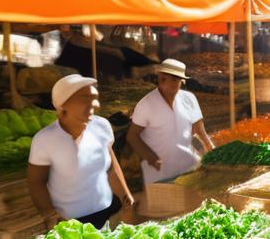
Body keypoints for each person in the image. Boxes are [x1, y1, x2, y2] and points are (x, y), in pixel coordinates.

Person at [28, 74, 135, 229]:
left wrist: (125, 194)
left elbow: (111, 166)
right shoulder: (45, 139)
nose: (95, 104)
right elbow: (36, 181)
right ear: (64, 104)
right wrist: (49, 214)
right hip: (68, 223)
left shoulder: (102, 126)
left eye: (94, 98)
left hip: (104, 213)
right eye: (86, 98)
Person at [127, 60, 213, 187]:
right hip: (159, 173)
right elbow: (132, 136)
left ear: (182, 82)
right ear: (160, 78)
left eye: (176, 80)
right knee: (167, 204)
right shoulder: (146, 104)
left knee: (194, 203)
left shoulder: (189, 99)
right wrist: (151, 158)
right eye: (166, 78)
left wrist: (213, 153)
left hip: (188, 166)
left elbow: (201, 132)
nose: (170, 83)